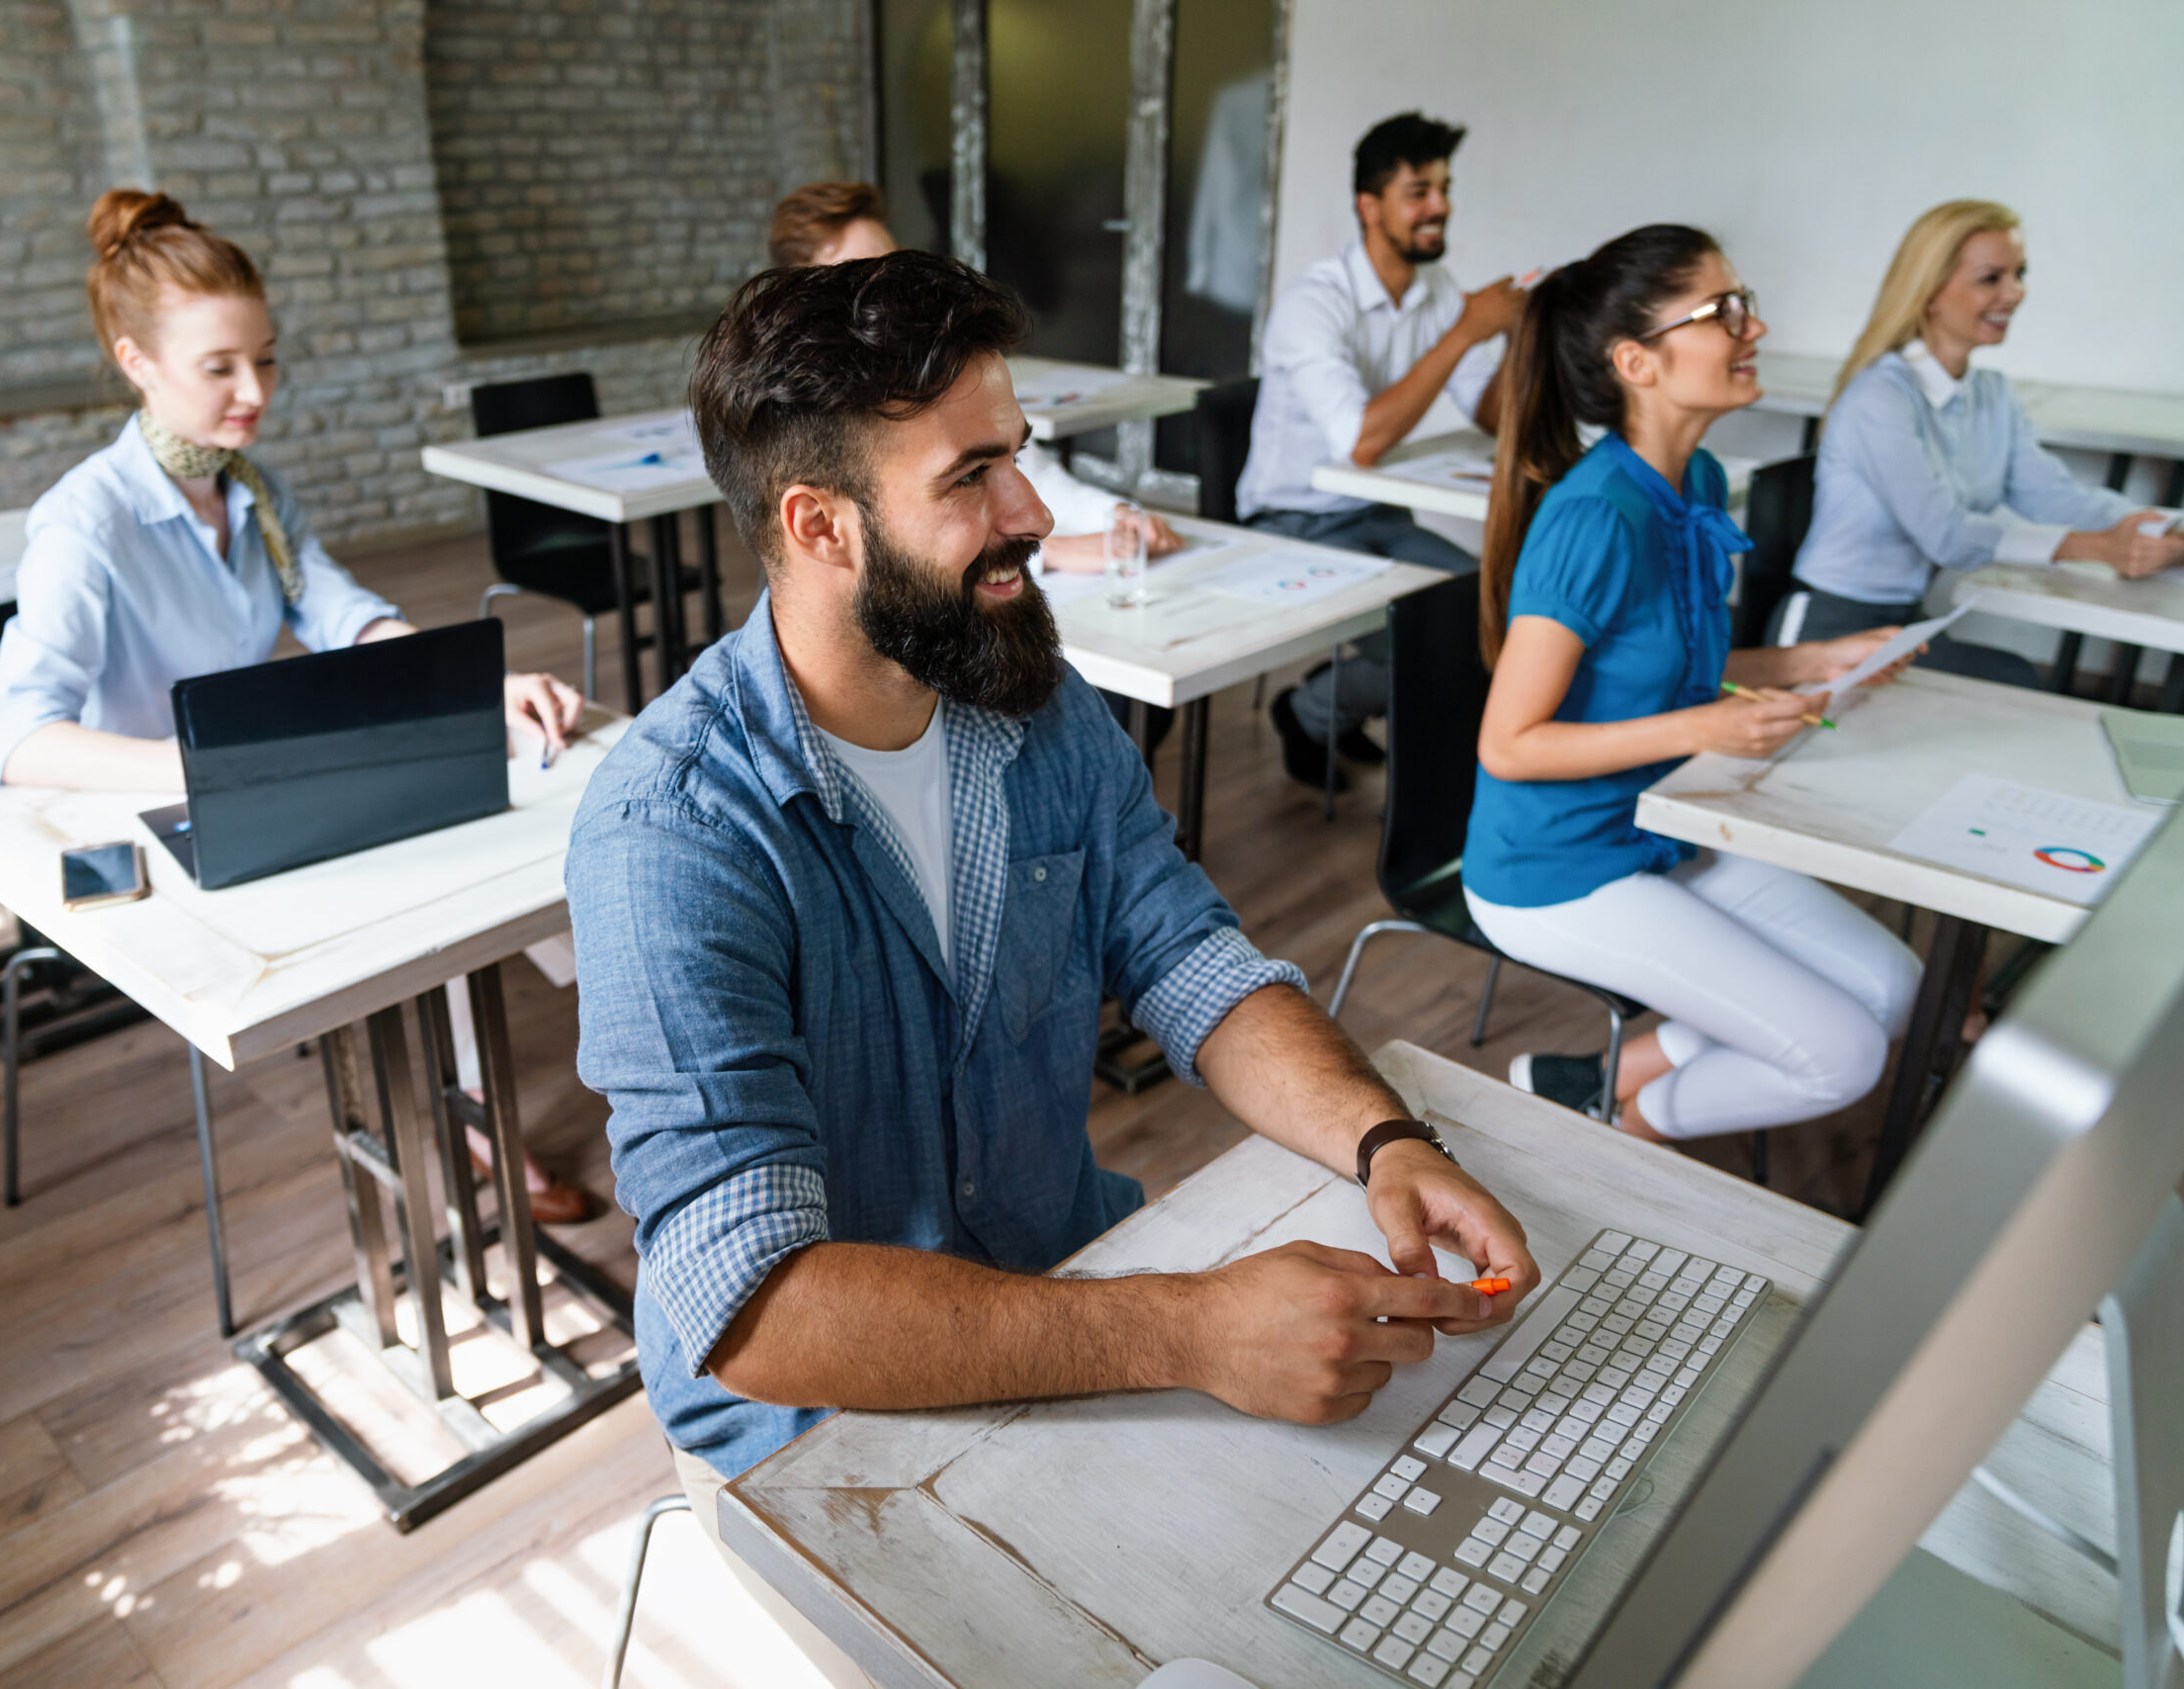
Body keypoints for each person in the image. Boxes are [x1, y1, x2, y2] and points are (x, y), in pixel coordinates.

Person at [568, 251, 1536, 1681]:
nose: (1031, 512)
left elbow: (1188, 954)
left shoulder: (1033, 704)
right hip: (824, 1431)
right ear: (820, 525)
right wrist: (1192, 1328)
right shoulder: (675, 831)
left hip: (1075, 1295)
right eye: (971, 478)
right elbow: (754, 1311)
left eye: (1018, 458)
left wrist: (1381, 1138)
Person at [0, 189, 597, 1224]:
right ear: (136, 363)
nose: (254, 389)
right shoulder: (85, 525)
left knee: (483, 835)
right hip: (149, 818)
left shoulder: (252, 488)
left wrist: (470, 683)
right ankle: (482, 1109)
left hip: (255, 785)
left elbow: (338, 610)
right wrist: (210, 766)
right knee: (422, 866)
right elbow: (17, 736)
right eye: (219, 367)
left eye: (264, 358)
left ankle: (565, 1067)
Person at [1461, 224, 1925, 1145]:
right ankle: (1637, 1132)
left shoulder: (1698, 477)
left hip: (1655, 823)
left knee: (1894, 989)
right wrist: (1706, 729)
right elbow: (1508, 744)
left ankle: (1595, 1080)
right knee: (1845, 1054)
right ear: (1637, 361)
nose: (1752, 329)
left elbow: (1666, 671)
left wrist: (1813, 662)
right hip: (1554, 871)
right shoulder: (1595, 516)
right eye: (1724, 312)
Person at [1779, 201, 2184, 684]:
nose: (2015, 293)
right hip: (1826, 627)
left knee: (2008, 681)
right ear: (1930, 291)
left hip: (1906, 622)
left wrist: (2180, 537)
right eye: (1990, 278)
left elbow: (2055, 496)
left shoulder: (1991, 395)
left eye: (2019, 274)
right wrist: (2099, 549)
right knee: (2012, 680)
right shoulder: (1880, 396)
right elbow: (1947, 533)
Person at [1238, 111, 1526, 789]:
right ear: (1370, 206)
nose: (1440, 208)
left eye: (1444, 189)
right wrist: (1465, 332)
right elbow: (1360, 441)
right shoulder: (1315, 303)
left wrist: (1515, 337)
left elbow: (1491, 415)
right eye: (1419, 192)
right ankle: (1315, 710)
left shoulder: (1437, 294)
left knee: (1496, 619)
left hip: (1379, 517)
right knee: (1438, 645)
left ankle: (1322, 700)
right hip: (1292, 520)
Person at [767, 180, 1182, 577]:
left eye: (889, 266)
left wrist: (1114, 515)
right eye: (856, 276)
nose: (885, 288)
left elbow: (1025, 469)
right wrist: (1053, 553)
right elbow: (896, 544)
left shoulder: (926, 359)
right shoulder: (795, 406)